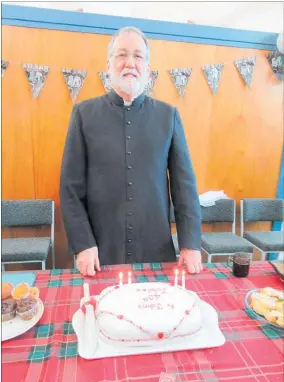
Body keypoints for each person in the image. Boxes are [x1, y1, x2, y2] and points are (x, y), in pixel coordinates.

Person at [60, 26, 202, 277]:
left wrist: (190, 243)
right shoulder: (83, 114)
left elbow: (184, 186)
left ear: (147, 67)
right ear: (108, 64)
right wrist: (83, 244)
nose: (130, 63)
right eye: (122, 55)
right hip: (100, 253)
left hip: (157, 250)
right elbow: (70, 188)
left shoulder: (168, 116)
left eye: (138, 56)